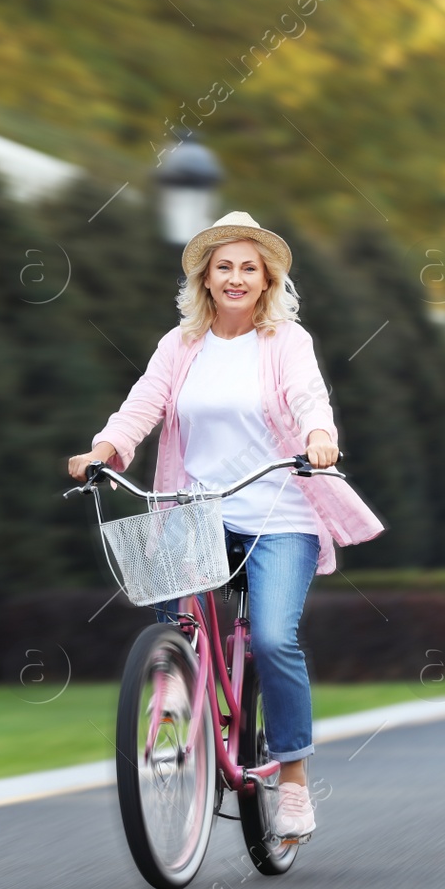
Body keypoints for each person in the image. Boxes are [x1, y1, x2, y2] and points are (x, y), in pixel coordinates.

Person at [67, 211, 384, 842]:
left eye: (249, 268)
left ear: (266, 280)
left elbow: (307, 397)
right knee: (174, 634)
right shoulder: (179, 346)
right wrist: (104, 449)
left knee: (271, 639)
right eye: (224, 268)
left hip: (277, 513)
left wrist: (321, 436)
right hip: (194, 512)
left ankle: (291, 781)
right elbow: (142, 406)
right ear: (205, 279)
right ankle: (182, 738)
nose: (236, 278)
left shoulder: (286, 342)